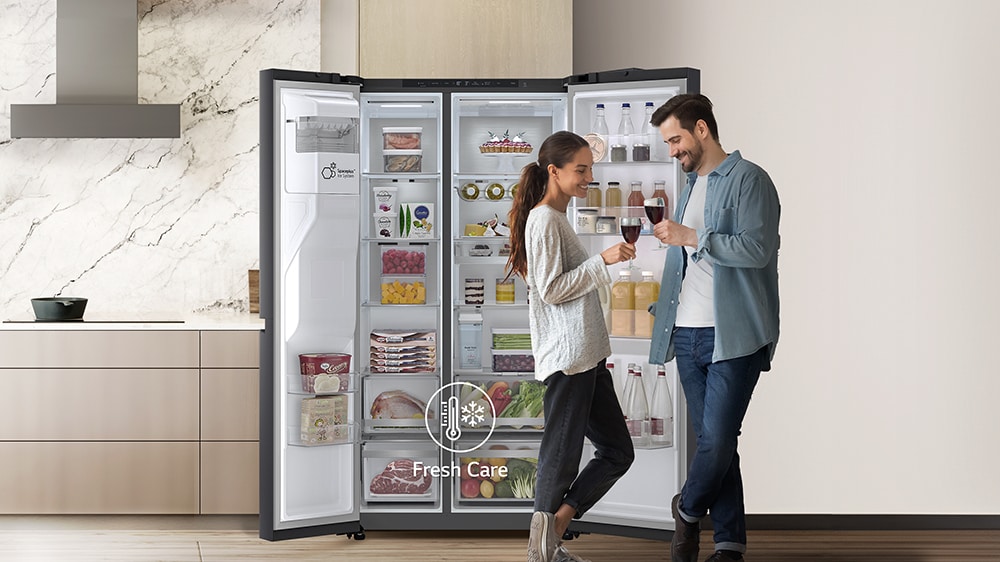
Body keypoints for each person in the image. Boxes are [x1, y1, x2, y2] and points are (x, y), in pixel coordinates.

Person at [646, 94, 780, 562]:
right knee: (715, 444)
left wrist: (691, 236)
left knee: (719, 439)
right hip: (685, 331)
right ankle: (728, 544)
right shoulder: (687, 186)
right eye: (667, 143)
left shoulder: (750, 180)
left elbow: (757, 250)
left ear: (702, 129)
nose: (672, 151)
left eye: (676, 139)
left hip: (733, 332)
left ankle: (685, 512)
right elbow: (688, 266)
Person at [505, 131, 637, 562]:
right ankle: (542, 550)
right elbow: (549, 290)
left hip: (587, 356)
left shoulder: (557, 219)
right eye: (581, 170)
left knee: (618, 451)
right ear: (554, 172)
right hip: (568, 358)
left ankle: (555, 528)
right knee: (559, 458)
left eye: (590, 169)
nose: (589, 177)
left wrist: (601, 265)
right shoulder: (544, 219)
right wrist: (603, 262)